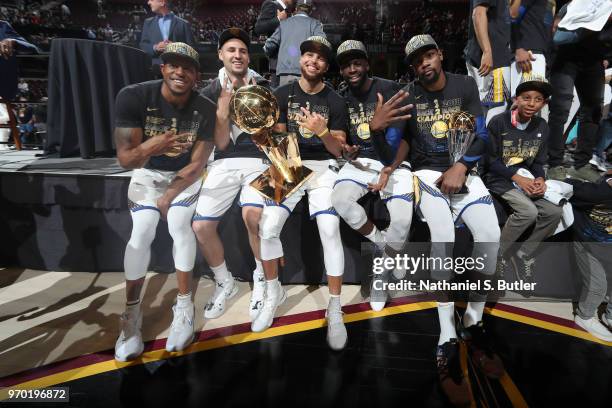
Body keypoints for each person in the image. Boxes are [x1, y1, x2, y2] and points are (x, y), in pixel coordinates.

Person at [403, 34, 502, 405]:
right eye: (417, 60)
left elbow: (480, 136)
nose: (424, 63)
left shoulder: (464, 84)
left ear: (439, 54)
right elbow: (397, 140)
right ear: (412, 67)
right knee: (442, 238)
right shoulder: (409, 93)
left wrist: (462, 165)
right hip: (426, 174)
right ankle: (446, 334)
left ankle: (473, 320)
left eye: (429, 55)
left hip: (463, 171)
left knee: (490, 236)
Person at [113, 43, 216, 361]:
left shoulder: (206, 108)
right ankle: (131, 317)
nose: (179, 71)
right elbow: (125, 160)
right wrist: (150, 147)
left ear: (196, 75)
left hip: (184, 178)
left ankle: (184, 308)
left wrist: (170, 195)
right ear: (162, 68)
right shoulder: (133, 96)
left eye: (187, 67)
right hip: (146, 172)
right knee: (141, 232)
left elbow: (197, 164)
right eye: (173, 65)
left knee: (178, 224)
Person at [254, 36, 349, 350]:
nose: (313, 61)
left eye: (320, 58)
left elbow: (338, 150)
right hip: (288, 160)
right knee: (267, 226)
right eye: (308, 54)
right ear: (301, 59)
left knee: (329, 227)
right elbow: (273, 138)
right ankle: (272, 292)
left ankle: (335, 306)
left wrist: (320, 130)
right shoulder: (281, 93)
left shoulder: (335, 100)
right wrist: (265, 137)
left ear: (326, 65)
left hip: (325, 165)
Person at [192, 28, 270, 321]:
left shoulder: (263, 85)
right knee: (200, 227)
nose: (238, 55)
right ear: (221, 55)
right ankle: (226, 282)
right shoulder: (210, 92)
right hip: (223, 161)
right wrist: (223, 114)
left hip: (259, 160)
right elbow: (221, 144)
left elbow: (268, 137)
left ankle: (262, 277)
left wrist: (255, 105)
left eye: (243, 51)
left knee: (253, 216)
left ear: (248, 57)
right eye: (231, 50)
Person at [331, 40, 414, 311]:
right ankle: (382, 246)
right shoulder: (342, 96)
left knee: (402, 220)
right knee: (340, 200)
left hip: (393, 160)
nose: (352, 69)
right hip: (362, 161)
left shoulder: (390, 90)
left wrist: (388, 166)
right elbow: (342, 138)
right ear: (341, 71)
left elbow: (399, 143)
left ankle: (383, 269)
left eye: (357, 63)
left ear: (367, 64)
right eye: (346, 65)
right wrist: (347, 151)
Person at [481, 76, 563, 280]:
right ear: (517, 99)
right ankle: (497, 254)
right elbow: (490, 161)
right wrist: (517, 178)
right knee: (529, 212)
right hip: (498, 177)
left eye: (538, 99)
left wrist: (540, 179)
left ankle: (524, 252)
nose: (532, 103)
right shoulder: (499, 122)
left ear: (543, 103)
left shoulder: (542, 126)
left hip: (524, 178)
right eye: (527, 98)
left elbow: (538, 161)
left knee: (554, 212)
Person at [547, 2, 612, 182]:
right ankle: (554, 163)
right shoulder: (580, 3)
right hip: (566, 58)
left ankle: (581, 164)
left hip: (594, 60)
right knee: (560, 110)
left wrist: (607, 57)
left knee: (593, 111)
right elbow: (557, 30)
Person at [567, 171, 612, 342]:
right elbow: (567, 185)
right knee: (597, 286)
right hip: (588, 244)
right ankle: (584, 317)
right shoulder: (593, 192)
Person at [465, 0, 512, 125]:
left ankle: (481, 142)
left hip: (490, 54)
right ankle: (488, 143)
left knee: (482, 107)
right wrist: (487, 51)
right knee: (497, 105)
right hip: (493, 56)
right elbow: (478, 13)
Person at [509, 0, 555, 120]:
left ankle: (530, 139)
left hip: (540, 54)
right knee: (524, 104)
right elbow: (513, 16)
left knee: (537, 107)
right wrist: (518, 48)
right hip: (529, 53)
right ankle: (513, 137)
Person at [263, 0, 325, 87]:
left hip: (285, 73)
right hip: (307, 72)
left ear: (296, 8)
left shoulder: (284, 24)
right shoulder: (315, 24)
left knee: (286, 99)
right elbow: (323, 44)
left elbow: (268, 46)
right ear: (310, 10)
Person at [139, 0, 195, 74]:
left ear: (162, 2)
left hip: (178, 71)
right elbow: (143, 45)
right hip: (155, 71)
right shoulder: (148, 23)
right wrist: (155, 47)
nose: (148, 2)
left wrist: (176, 47)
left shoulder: (184, 24)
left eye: (152, 0)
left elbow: (193, 49)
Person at [254, 0, 295, 88]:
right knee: (279, 98)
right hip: (279, 65)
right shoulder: (271, 4)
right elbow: (258, 28)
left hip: (293, 63)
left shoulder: (289, 11)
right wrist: (278, 19)